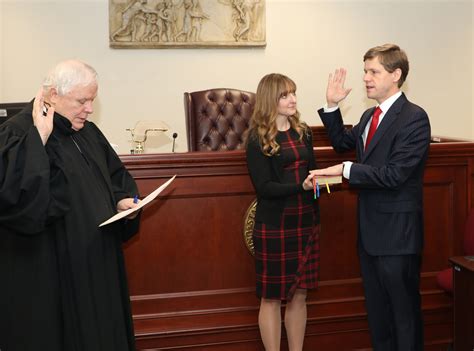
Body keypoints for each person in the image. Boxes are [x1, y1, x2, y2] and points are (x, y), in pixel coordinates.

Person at [0, 60, 141, 351]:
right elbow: (18, 202)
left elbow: (115, 177)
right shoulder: (16, 134)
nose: (89, 108)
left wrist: (122, 199)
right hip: (51, 271)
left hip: (97, 262)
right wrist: (39, 139)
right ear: (52, 95)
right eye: (82, 100)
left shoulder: (87, 132)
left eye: (92, 100)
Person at [313, 44, 431, 350]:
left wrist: (348, 169)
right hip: (369, 235)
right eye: (365, 71)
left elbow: (394, 175)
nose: (366, 78)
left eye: (373, 71)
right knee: (378, 316)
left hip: (398, 236)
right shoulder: (369, 115)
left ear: (396, 75)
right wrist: (331, 106)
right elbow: (341, 142)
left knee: (403, 317)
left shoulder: (414, 118)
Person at [245, 73, 320, 351]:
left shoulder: (303, 131)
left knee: (300, 294)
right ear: (270, 99)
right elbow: (264, 187)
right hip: (276, 224)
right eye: (285, 95)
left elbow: (311, 171)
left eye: (294, 93)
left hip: (306, 221)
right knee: (272, 297)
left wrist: (319, 182)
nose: (293, 99)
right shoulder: (257, 138)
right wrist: (299, 186)